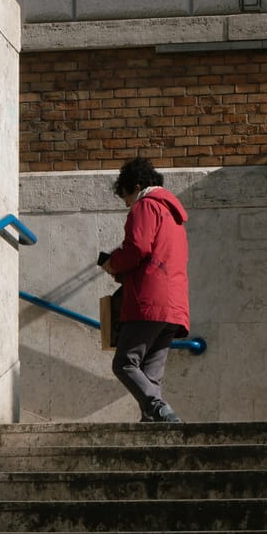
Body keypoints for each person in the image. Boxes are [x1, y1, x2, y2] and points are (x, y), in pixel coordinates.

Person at [99, 157, 190, 423]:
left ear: (136, 186)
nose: (127, 204)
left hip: (150, 302)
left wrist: (112, 263)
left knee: (125, 363)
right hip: (174, 306)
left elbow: (138, 248)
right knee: (150, 373)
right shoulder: (174, 217)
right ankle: (152, 423)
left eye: (126, 197)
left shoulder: (145, 206)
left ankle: (159, 408)